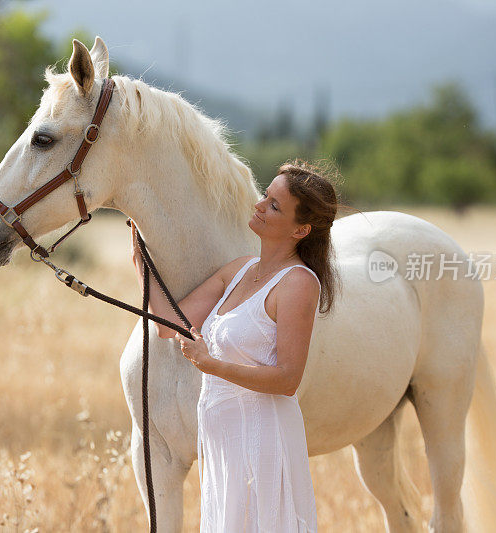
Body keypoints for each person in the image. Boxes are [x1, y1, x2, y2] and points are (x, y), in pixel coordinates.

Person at [131, 159, 340, 532]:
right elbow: (168, 323)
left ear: (301, 229)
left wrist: (210, 364)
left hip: (260, 440)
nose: (259, 205)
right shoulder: (240, 269)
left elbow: (287, 379)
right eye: (266, 195)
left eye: (275, 205)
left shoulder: (298, 284)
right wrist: (141, 256)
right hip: (223, 441)